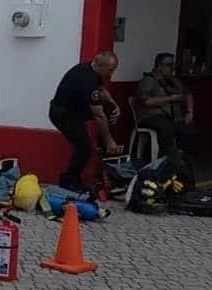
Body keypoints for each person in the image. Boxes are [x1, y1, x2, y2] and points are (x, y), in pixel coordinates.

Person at [49, 51, 121, 193]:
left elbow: (101, 89)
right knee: (84, 148)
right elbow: (98, 115)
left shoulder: (94, 70)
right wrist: (109, 140)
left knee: (109, 109)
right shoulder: (86, 79)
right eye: (110, 70)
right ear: (100, 65)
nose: (111, 73)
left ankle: (105, 151)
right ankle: (70, 180)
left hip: (76, 110)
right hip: (63, 114)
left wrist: (114, 104)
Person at [136, 52, 194, 157]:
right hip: (151, 116)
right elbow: (146, 102)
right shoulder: (149, 80)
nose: (172, 68)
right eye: (168, 65)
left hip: (173, 117)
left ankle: (181, 158)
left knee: (187, 127)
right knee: (166, 127)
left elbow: (188, 94)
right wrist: (170, 99)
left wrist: (189, 111)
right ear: (159, 66)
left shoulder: (174, 81)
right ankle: (165, 158)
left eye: (173, 65)